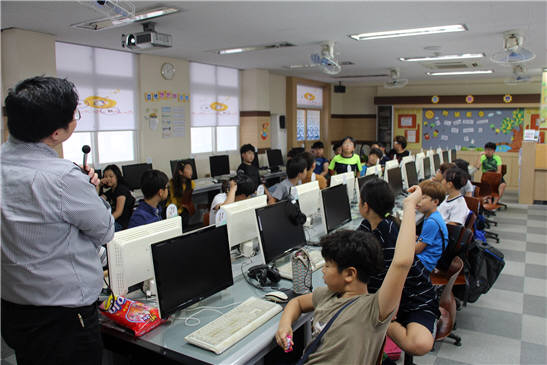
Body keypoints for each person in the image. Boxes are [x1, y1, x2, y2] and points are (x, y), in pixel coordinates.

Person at [1, 76, 115, 364]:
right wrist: (90, 190)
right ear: (56, 133)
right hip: (63, 318)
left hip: (13, 309)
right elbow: (105, 230)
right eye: (73, 116)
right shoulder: (63, 178)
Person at [275, 186, 422, 364]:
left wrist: (410, 205)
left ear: (349, 274)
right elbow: (296, 302)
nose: (322, 270)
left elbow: (402, 263)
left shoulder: (373, 310)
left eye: (327, 266)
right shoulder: (327, 295)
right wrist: (285, 324)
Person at [357, 177, 439, 356]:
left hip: (412, 296)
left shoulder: (388, 234)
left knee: (420, 344)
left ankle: (383, 324)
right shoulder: (367, 227)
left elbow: (396, 276)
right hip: (386, 298)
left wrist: (385, 313)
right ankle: (381, 322)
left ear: (366, 206)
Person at [416, 180, 448, 272]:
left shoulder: (432, 222)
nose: (418, 201)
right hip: (425, 259)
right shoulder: (432, 216)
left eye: (423, 198)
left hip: (424, 264)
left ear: (435, 202)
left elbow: (417, 250)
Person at [99, 164, 136, 231]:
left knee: (101, 230)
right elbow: (97, 201)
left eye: (111, 176)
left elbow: (118, 212)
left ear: (117, 176)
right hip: (115, 221)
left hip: (122, 224)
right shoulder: (111, 191)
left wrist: (106, 223)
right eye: (105, 177)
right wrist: (99, 185)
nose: (108, 179)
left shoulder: (121, 190)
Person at [167, 160, 195, 228]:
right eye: (188, 169)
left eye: (191, 169)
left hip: (183, 208)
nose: (191, 171)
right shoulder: (172, 183)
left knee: (184, 216)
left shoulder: (191, 184)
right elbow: (173, 200)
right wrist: (177, 213)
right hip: (172, 209)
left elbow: (186, 200)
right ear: (180, 172)